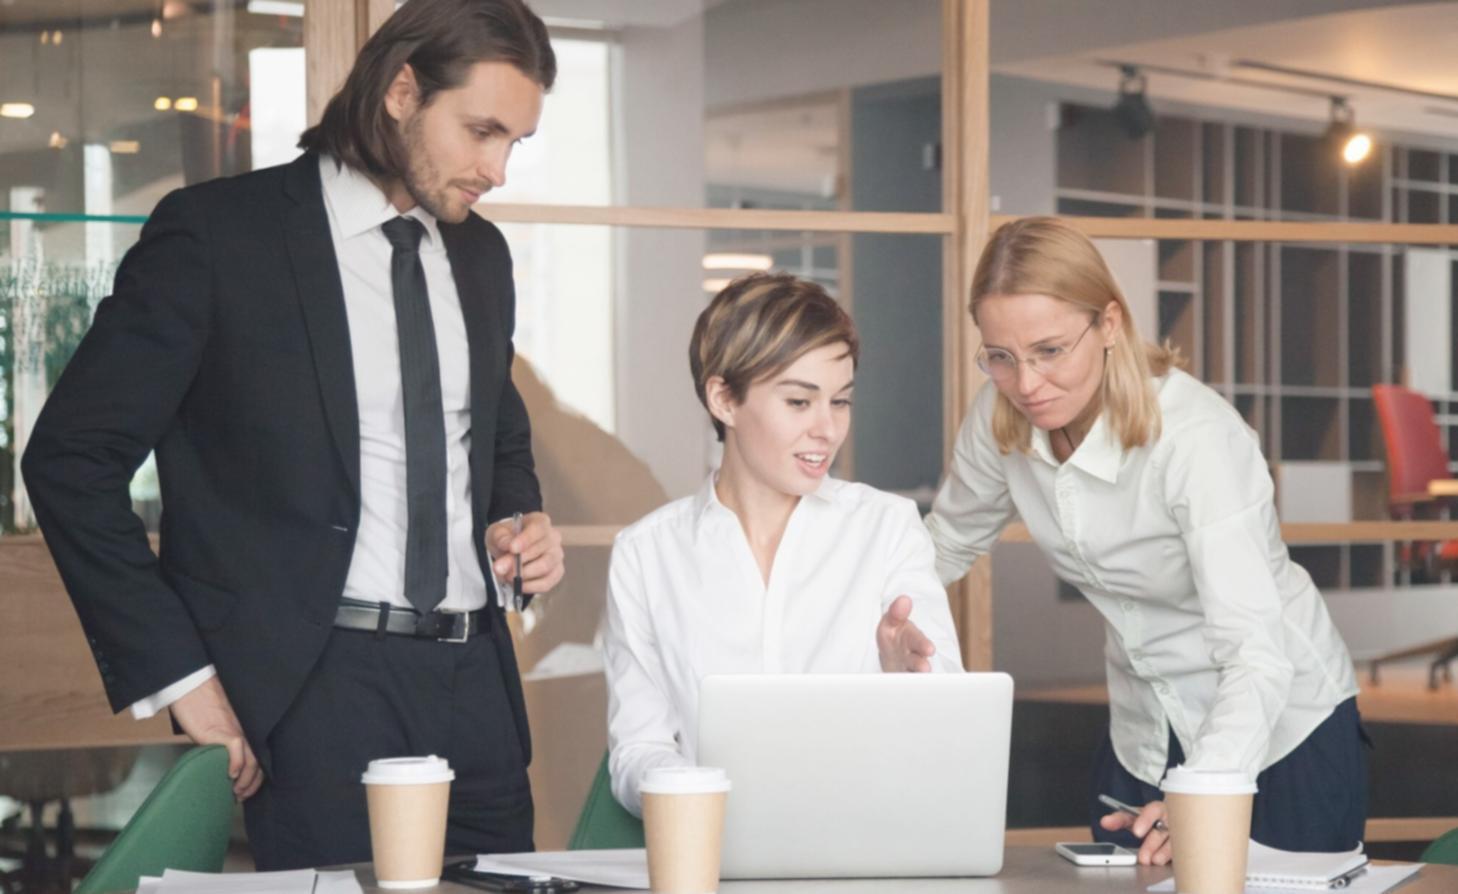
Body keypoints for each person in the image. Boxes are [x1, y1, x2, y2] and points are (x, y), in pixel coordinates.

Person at [22, 0, 565, 870]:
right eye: (481, 131)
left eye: (516, 142)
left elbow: (495, 434)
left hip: (478, 695)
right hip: (317, 693)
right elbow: (69, 460)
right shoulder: (216, 236)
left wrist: (515, 519)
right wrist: (183, 678)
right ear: (401, 92)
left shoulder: (481, 256)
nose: (497, 170)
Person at [925, 217, 1364, 863]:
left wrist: (1204, 794)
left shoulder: (1195, 440)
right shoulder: (1000, 419)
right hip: (1145, 728)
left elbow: (1255, 653)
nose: (1027, 384)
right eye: (1001, 357)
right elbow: (944, 545)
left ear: (1109, 323)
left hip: (1278, 726)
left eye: (1050, 350)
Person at [601, 273, 963, 816]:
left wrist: (904, 681)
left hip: (861, 841)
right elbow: (637, 749)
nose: (828, 429)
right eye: (799, 401)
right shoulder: (646, 556)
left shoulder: (886, 528)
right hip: (714, 846)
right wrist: (708, 797)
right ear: (724, 399)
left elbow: (952, 730)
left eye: (840, 401)